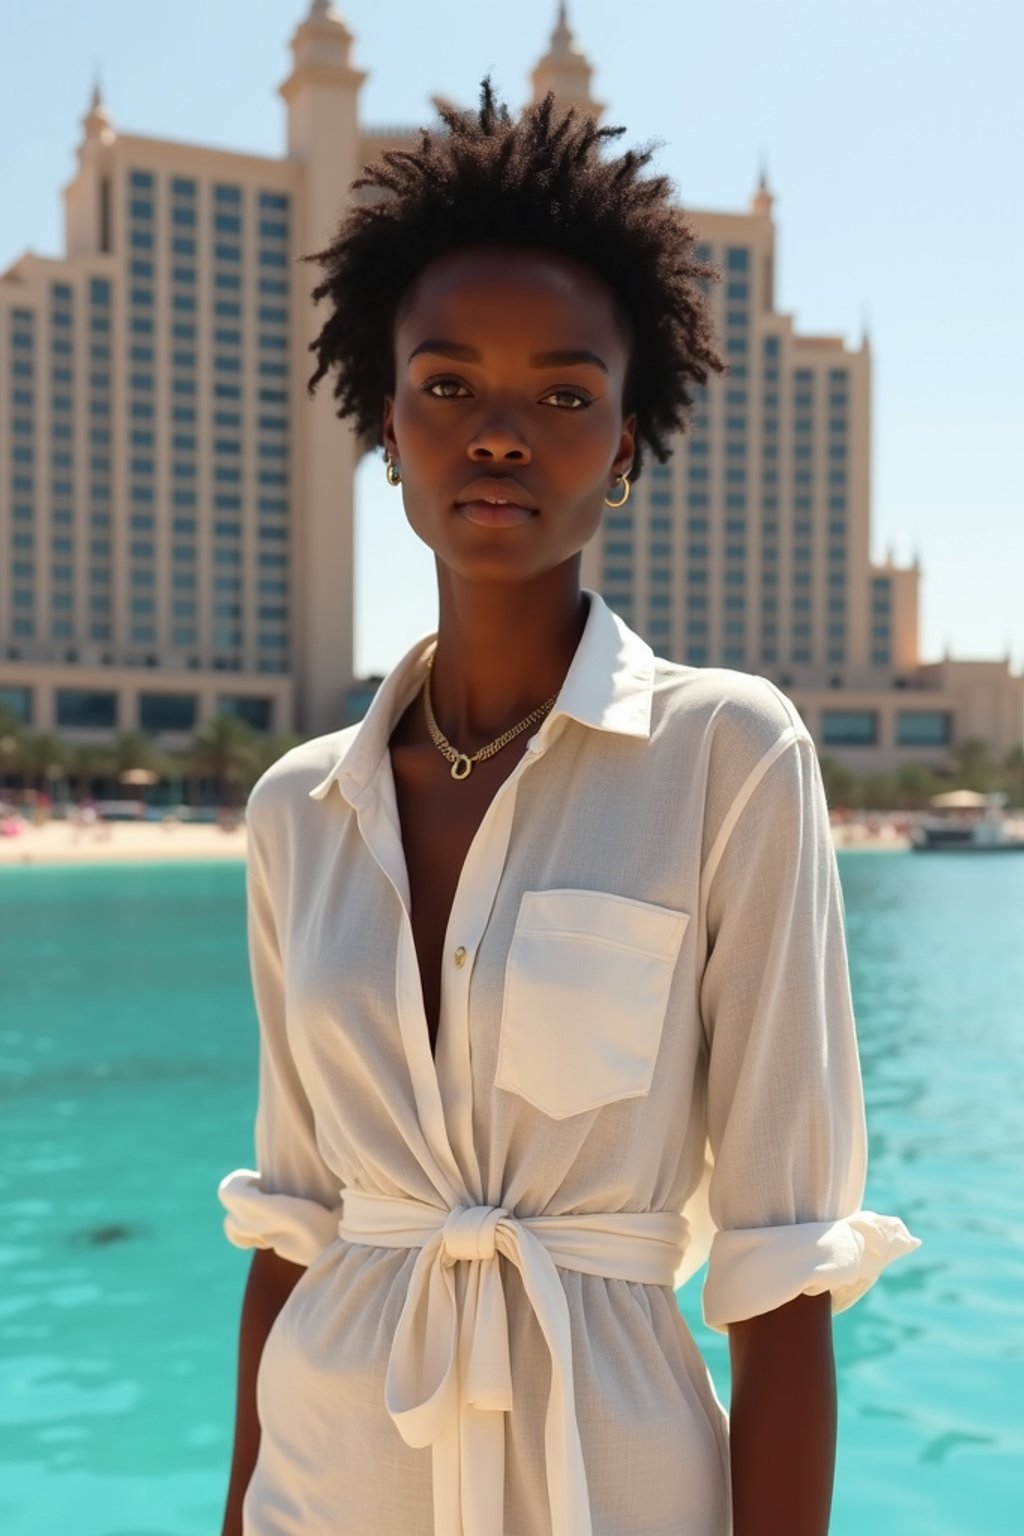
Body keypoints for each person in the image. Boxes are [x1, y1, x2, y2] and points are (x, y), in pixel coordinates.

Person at [218, 79, 920, 1536]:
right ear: (384, 419)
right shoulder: (300, 811)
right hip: (326, 1486)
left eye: (562, 392)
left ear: (628, 445)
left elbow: (783, 1271)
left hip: (617, 1494)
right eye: (448, 382)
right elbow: (292, 1235)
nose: (498, 431)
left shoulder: (730, 755)